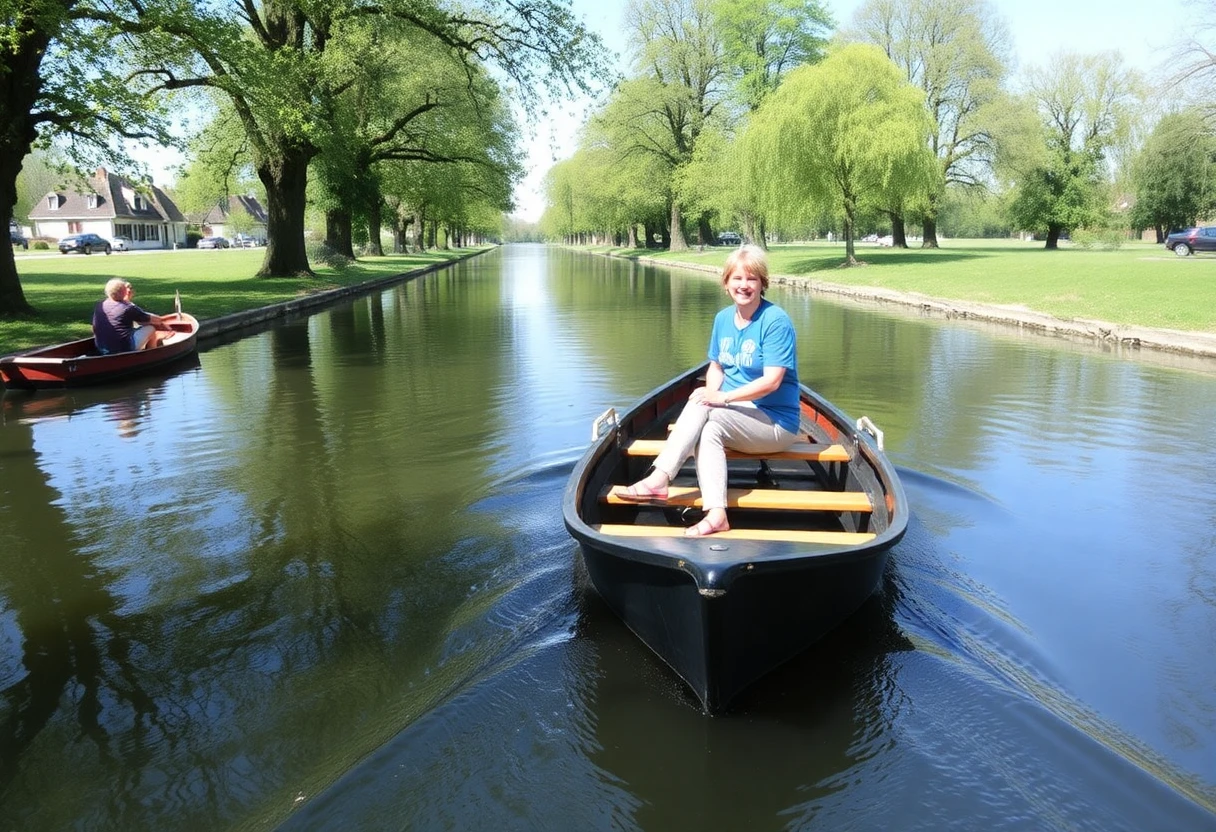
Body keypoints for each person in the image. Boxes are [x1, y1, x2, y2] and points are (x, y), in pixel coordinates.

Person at [619, 244, 801, 537]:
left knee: (707, 414)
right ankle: (716, 514)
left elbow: (772, 381)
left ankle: (660, 478)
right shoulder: (722, 320)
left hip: (776, 421)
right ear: (726, 283)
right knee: (705, 413)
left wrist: (722, 398)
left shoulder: (775, 321)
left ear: (762, 284)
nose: (744, 286)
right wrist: (711, 394)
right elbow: (716, 366)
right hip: (737, 414)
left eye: (751, 279)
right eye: (737, 279)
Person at [92, 278, 173, 354]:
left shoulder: (100, 305)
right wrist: (165, 324)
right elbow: (152, 320)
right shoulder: (128, 308)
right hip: (124, 348)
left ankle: (150, 349)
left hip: (102, 347)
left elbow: (140, 318)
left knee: (143, 326)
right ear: (123, 292)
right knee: (151, 327)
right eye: (125, 288)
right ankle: (152, 353)